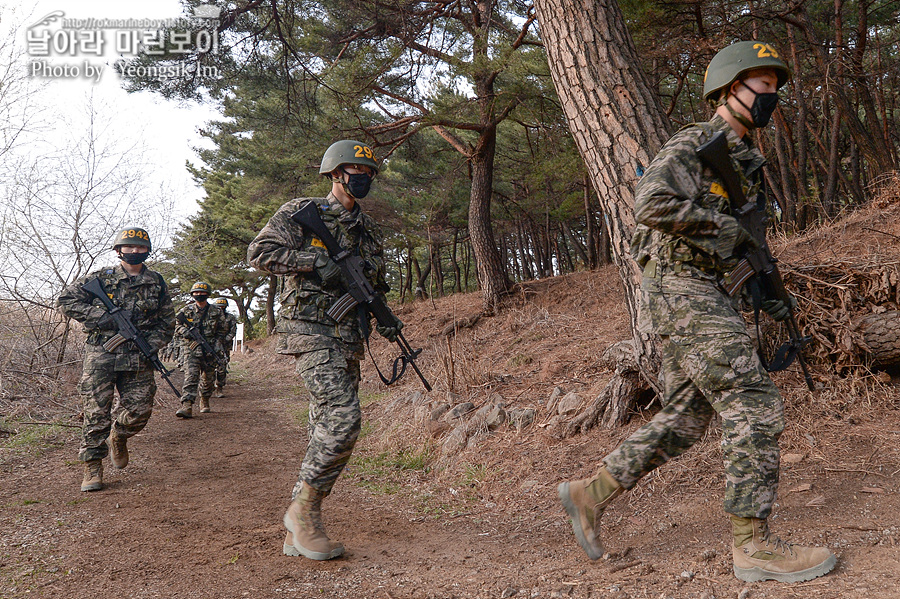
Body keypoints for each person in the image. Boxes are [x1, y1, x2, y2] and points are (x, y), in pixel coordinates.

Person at [557, 41, 836, 583]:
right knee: (751, 397)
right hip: (680, 288)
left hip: (705, 290)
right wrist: (726, 232)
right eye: (763, 87)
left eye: (775, 90)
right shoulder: (694, 143)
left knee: (686, 417)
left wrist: (769, 291)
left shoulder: (745, 163)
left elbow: (739, 244)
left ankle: (589, 494)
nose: (771, 99)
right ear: (731, 88)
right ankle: (753, 546)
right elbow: (651, 203)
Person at [247, 139, 402, 561]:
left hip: (349, 336)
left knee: (324, 425)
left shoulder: (368, 229)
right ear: (336, 174)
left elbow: (371, 282)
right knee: (344, 417)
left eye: (369, 173)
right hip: (310, 329)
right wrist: (314, 262)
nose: (363, 178)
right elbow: (259, 253)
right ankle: (304, 513)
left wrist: (384, 315)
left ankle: (297, 529)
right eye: (356, 170)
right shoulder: (301, 212)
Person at [57, 227, 174, 492]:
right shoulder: (101, 278)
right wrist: (104, 318)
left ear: (147, 250)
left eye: (140, 248)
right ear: (119, 250)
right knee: (96, 412)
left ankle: (119, 436)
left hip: (138, 358)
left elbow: (167, 322)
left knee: (140, 411)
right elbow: (65, 300)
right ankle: (93, 466)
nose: (134, 251)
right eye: (129, 247)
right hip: (101, 356)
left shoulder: (157, 282)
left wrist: (149, 345)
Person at [174, 281, 226, 418]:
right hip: (191, 350)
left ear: (207, 294)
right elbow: (176, 326)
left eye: (202, 293)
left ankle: (204, 399)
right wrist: (185, 332)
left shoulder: (216, 311)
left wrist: (218, 343)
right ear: (192, 294)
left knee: (207, 379)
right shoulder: (186, 311)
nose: (199, 295)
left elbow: (222, 329)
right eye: (196, 293)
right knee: (191, 377)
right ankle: (187, 405)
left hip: (209, 350)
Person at [212, 297, 238, 397]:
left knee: (222, 367)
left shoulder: (230, 317)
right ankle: (208, 387)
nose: (221, 309)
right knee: (208, 367)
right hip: (211, 345)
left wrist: (225, 340)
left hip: (224, 346)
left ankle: (219, 387)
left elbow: (233, 331)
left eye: (223, 307)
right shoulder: (211, 317)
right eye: (219, 307)